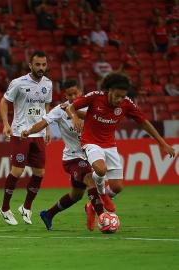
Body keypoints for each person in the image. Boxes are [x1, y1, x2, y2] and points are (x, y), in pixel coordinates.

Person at [66, 72, 176, 210]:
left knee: (117, 187)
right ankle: (102, 196)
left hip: (110, 145)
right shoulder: (96, 96)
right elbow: (71, 107)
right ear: (109, 90)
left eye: (122, 96)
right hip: (91, 142)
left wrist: (162, 143)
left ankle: (92, 205)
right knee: (101, 170)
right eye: (117, 95)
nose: (119, 99)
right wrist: (74, 118)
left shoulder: (126, 104)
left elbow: (144, 122)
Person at [20, 79, 107, 231]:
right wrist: (29, 131)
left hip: (91, 155)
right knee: (90, 180)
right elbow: (43, 122)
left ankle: (48, 214)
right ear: (65, 95)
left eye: (75, 93)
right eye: (69, 94)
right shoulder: (60, 110)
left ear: (81, 92)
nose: (73, 97)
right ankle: (103, 217)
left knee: (76, 195)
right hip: (72, 158)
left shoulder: (90, 107)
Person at [0, 51, 52, 225]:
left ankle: (26, 207)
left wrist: (48, 127)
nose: (41, 68)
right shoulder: (18, 83)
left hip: (39, 133)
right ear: (30, 65)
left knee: (40, 173)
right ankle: (5, 208)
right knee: (17, 171)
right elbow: (4, 101)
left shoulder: (48, 84)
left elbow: (46, 105)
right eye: (37, 65)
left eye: (44, 65)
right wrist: (6, 124)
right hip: (20, 132)